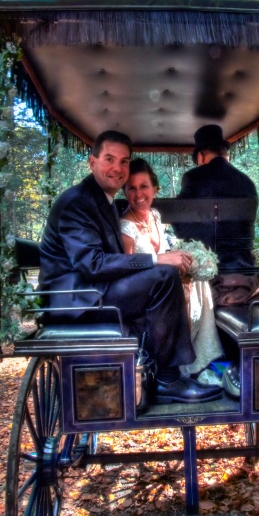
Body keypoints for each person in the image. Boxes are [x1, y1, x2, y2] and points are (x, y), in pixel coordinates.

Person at [38, 130, 221, 404]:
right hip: (77, 301)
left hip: (94, 289)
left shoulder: (103, 199)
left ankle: (166, 369)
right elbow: (93, 265)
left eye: (124, 161)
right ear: (92, 162)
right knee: (163, 275)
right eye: (109, 159)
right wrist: (156, 259)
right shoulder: (78, 202)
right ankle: (168, 379)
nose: (118, 168)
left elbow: (111, 261)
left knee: (165, 276)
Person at [174, 124, 259, 396]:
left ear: (201, 155)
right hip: (248, 275)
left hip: (215, 277)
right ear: (225, 152)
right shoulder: (247, 182)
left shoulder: (194, 178)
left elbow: (181, 227)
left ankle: (186, 369)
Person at [120, 158, 223, 378]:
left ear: (155, 189)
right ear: (124, 192)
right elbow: (126, 270)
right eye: (131, 188)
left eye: (144, 186)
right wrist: (163, 261)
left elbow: (168, 251)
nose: (138, 194)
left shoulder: (156, 217)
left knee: (200, 282)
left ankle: (197, 359)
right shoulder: (125, 227)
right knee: (179, 287)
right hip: (147, 291)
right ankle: (176, 368)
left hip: (166, 279)